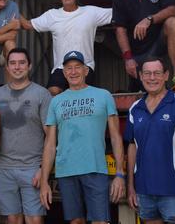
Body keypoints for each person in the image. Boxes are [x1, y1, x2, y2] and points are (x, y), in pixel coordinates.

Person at [39, 51, 125, 224]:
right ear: (63, 73)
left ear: (86, 71)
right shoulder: (56, 101)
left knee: (100, 221)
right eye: (69, 68)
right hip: (66, 171)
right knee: (76, 221)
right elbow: (50, 144)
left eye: (77, 67)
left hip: (95, 169)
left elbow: (116, 137)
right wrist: (44, 181)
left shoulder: (103, 95)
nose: (73, 72)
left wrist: (120, 174)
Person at [125, 57, 175, 224]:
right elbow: (132, 147)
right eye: (147, 73)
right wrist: (131, 186)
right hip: (144, 190)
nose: (152, 78)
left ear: (166, 75)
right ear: (140, 76)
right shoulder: (135, 108)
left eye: (157, 73)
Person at [21, 0, 112, 96]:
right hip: (61, 67)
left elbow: (117, 13)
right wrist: (11, 8)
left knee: (80, 97)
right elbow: (27, 25)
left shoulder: (91, 12)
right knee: (52, 93)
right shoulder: (52, 15)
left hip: (84, 66)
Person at [0, 48, 52, 224]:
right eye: (13, 63)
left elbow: (51, 136)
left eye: (21, 63)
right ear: (7, 68)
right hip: (3, 168)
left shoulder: (42, 94)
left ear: (29, 66)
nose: (17, 67)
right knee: (12, 220)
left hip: (32, 167)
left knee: (34, 219)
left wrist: (44, 169)